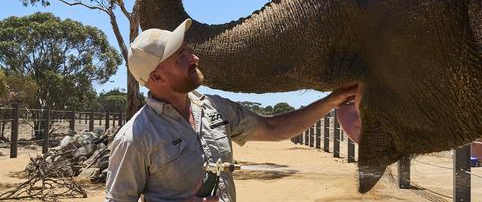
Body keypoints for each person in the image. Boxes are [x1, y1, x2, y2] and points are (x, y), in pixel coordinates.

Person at [105, 19, 357, 202]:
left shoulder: (216, 107)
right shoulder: (134, 139)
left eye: (188, 51)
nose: (194, 58)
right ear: (157, 76)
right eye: (181, 56)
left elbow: (273, 129)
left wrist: (332, 101)